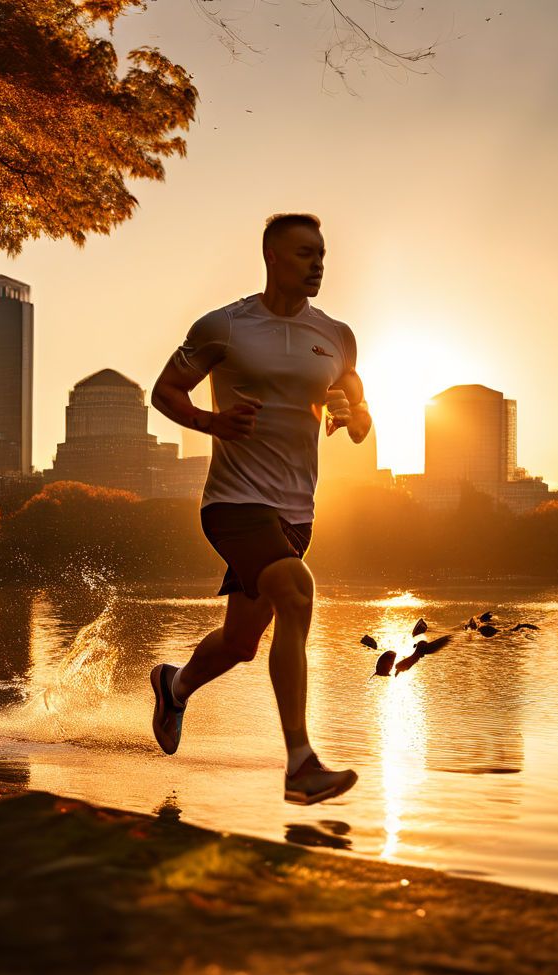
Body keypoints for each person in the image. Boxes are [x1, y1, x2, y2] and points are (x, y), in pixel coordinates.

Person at [149, 212, 372, 805]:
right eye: (305, 253)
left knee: (243, 642)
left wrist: (355, 417)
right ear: (273, 257)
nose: (318, 263)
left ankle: (174, 686)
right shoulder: (224, 326)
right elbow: (166, 391)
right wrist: (212, 422)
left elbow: (358, 405)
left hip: (296, 512)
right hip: (233, 502)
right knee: (297, 592)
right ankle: (300, 764)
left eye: (322, 253)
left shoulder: (338, 335)